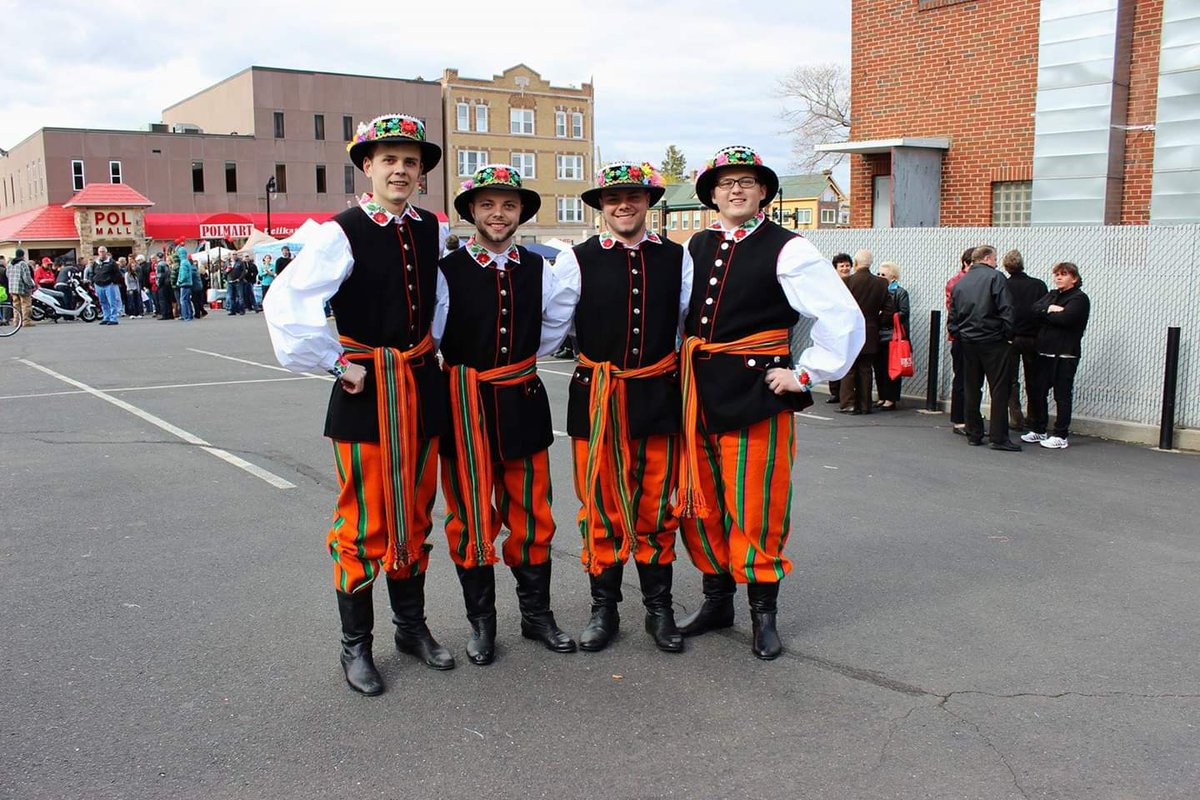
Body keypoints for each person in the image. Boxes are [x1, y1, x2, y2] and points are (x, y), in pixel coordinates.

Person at [264, 113, 451, 695]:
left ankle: (411, 628)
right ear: (367, 166)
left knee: (416, 514)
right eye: (388, 159)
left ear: (421, 174)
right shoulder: (340, 231)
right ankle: (356, 647)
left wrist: (430, 352)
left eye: (410, 161)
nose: (400, 169)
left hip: (419, 388)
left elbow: (438, 301)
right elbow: (288, 302)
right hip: (367, 395)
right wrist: (337, 364)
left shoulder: (431, 227)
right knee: (364, 520)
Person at [675, 146, 863, 660]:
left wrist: (803, 371)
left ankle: (764, 614)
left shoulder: (790, 248)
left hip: (758, 396)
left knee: (756, 507)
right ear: (711, 195)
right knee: (702, 505)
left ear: (763, 192)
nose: (736, 189)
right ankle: (717, 602)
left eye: (746, 182)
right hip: (698, 395)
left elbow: (841, 317)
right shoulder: (696, 243)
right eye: (726, 182)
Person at [434, 164, 576, 666]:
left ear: (521, 213)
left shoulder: (543, 270)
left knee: (534, 516)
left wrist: (517, 362)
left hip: (522, 403)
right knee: (470, 517)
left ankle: (537, 616)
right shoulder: (445, 273)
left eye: (509, 205)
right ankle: (483, 624)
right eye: (488, 204)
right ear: (471, 211)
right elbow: (431, 339)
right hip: (463, 409)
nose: (499, 214)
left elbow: (554, 330)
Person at [551, 161, 691, 654]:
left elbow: (687, 323)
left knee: (656, 503)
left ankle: (659, 610)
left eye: (633, 196)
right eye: (613, 198)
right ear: (600, 206)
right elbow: (551, 328)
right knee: (601, 506)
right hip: (596, 397)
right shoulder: (575, 259)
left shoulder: (678, 257)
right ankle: (603, 609)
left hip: (657, 394)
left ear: (648, 201)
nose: (623, 205)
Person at [948, 245, 1019, 450]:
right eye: (995, 258)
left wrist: (960, 334)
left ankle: (974, 432)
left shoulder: (961, 282)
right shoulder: (995, 278)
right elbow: (1006, 308)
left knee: (972, 386)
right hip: (993, 340)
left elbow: (953, 316)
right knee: (999, 388)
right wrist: (1007, 335)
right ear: (988, 258)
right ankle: (998, 437)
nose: (997, 262)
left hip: (968, 341)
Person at [1023, 262, 1091, 449]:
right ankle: (1039, 429)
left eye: (1064, 274)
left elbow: (1067, 319)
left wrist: (1048, 313)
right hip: (1044, 352)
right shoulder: (1052, 294)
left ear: (1074, 278)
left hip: (1064, 355)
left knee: (1061, 394)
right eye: (1057, 274)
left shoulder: (1079, 298)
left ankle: (1061, 434)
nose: (1058, 277)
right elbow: (1034, 310)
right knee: (1038, 392)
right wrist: (1050, 310)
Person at [840, 250, 892, 414]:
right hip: (870, 330)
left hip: (851, 329)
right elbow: (889, 310)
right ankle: (865, 404)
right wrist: (877, 322)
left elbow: (840, 308)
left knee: (849, 368)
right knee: (866, 368)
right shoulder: (881, 283)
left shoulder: (847, 282)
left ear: (855, 263)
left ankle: (849, 403)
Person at [1001, 249, 1047, 431]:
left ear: (1006, 266)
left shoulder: (1003, 285)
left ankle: (1016, 417)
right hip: (1033, 337)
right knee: (1033, 378)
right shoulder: (1038, 285)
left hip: (1011, 338)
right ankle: (1034, 416)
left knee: (1011, 380)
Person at [946, 246, 976, 434]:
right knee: (962, 378)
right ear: (966, 263)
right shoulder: (956, 283)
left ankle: (969, 416)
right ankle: (959, 420)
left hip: (971, 336)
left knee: (971, 379)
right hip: (962, 336)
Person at [874, 261, 910, 410]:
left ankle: (891, 398)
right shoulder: (877, 290)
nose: (880, 277)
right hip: (879, 334)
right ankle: (882, 395)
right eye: (879, 274)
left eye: (884, 275)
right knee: (879, 368)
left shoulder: (900, 292)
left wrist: (886, 316)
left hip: (892, 335)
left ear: (893, 277)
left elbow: (904, 312)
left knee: (892, 368)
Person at [825, 252, 853, 403]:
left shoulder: (854, 282)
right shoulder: (831, 284)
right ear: (835, 268)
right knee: (833, 358)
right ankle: (834, 391)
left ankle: (844, 392)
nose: (845, 268)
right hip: (833, 325)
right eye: (841, 266)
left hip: (847, 326)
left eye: (847, 265)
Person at [93, 247, 122, 325]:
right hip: (98, 284)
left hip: (109, 284)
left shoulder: (111, 262)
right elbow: (93, 272)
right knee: (103, 302)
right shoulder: (96, 262)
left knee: (112, 302)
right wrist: (94, 281)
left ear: (106, 252)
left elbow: (118, 274)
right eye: (100, 252)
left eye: (103, 251)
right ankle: (106, 317)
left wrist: (113, 281)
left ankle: (113, 318)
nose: (101, 253)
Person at [6, 249, 35, 326]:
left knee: (16, 305)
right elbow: (26, 277)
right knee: (26, 305)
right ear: (23, 255)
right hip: (22, 288)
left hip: (13, 288)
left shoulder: (9, 264)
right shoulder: (23, 264)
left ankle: (16, 321)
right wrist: (31, 285)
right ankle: (26, 321)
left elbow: (7, 275)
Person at [175, 246, 195, 321]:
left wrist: (179, 281)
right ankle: (189, 315)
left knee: (183, 300)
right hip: (189, 283)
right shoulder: (187, 262)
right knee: (187, 300)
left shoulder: (183, 263)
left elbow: (183, 275)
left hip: (184, 284)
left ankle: (185, 315)